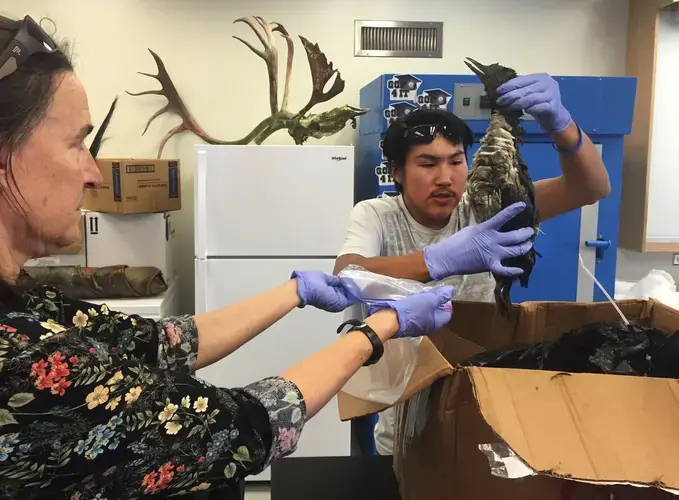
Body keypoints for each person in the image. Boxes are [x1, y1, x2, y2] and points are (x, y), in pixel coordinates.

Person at [0, 15, 456, 500]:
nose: (94, 173)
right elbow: (239, 424)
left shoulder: (30, 305)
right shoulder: (20, 358)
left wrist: (295, 291)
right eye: (76, 143)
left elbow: (164, 343)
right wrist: (379, 329)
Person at [334, 77, 612, 456]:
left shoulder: (487, 208)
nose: (445, 178)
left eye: (456, 161)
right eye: (427, 163)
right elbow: (346, 275)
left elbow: (590, 188)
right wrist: (438, 260)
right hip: (404, 421)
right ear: (397, 172)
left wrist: (562, 125)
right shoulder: (378, 215)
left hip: (485, 403)